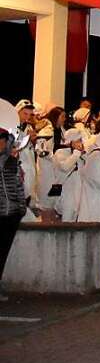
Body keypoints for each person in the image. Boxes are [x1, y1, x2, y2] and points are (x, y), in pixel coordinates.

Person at [0, 126, 27, 301]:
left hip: (12, 212)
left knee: (3, 251)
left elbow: (18, 185)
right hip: (3, 211)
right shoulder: (6, 160)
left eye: (4, 140)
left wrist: (21, 206)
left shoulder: (11, 161)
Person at [77, 126, 100, 221]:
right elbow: (99, 179)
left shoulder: (99, 155)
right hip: (96, 201)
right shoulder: (98, 156)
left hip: (98, 199)